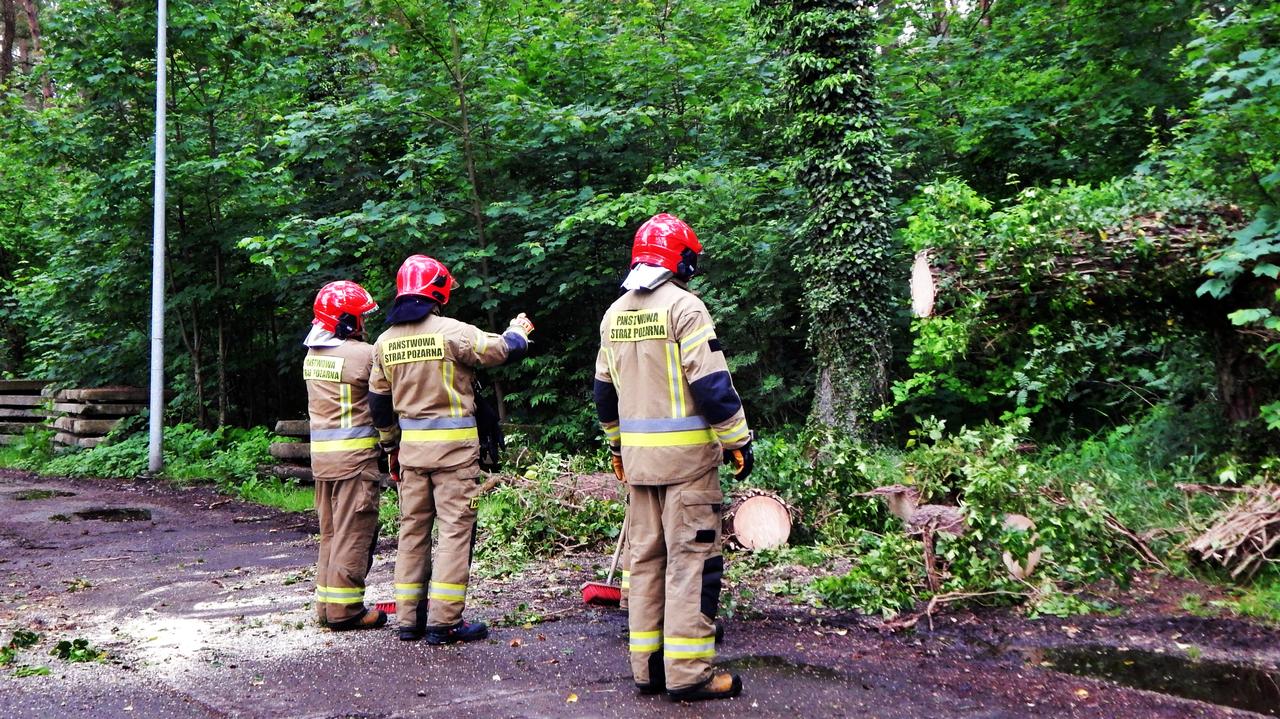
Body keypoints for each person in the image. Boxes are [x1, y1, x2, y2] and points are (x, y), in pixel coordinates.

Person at [594, 213, 754, 701]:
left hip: (640, 467)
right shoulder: (685, 308)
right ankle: (688, 674)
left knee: (644, 564)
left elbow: (604, 393)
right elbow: (711, 384)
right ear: (682, 258)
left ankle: (648, 670)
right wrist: (737, 440)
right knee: (692, 566)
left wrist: (618, 446)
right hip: (687, 468)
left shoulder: (615, 313)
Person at [368, 254, 535, 644]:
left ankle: (409, 619)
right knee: (456, 531)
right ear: (438, 291)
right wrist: (519, 331)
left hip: (411, 455)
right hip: (455, 456)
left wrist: (390, 446)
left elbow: (378, 404)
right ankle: (445, 622)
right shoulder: (452, 332)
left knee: (412, 532)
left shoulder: (384, 343)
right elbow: (502, 350)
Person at [304, 280, 388, 631]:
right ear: (347, 321)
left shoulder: (312, 356)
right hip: (355, 461)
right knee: (355, 532)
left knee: (331, 534)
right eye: (360, 318)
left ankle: (326, 607)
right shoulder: (362, 355)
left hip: (323, 462)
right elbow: (387, 396)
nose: (364, 324)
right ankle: (346, 611)